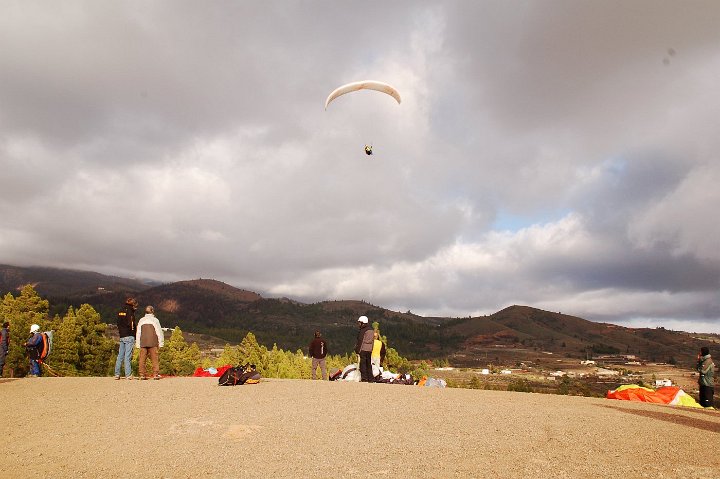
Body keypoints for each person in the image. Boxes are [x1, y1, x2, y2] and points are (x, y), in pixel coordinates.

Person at [135, 306, 164, 380]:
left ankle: (142, 374)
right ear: (152, 311)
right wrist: (161, 343)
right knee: (154, 358)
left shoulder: (141, 320)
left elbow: (138, 333)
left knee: (142, 359)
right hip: (153, 342)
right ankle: (155, 374)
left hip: (143, 342)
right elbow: (159, 332)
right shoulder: (155, 320)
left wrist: (137, 344)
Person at [114, 298, 138, 380]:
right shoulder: (130, 311)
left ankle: (117, 374)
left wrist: (121, 332)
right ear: (133, 304)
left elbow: (118, 323)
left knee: (120, 355)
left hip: (122, 335)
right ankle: (128, 375)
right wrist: (133, 334)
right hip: (129, 335)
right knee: (128, 356)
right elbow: (131, 324)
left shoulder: (120, 310)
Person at [354, 316, 374, 382]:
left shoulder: (363, 330)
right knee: (369, 364)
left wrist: (357, 350)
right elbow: (372, 341)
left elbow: (360, 341)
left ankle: (364, 378)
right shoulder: (371, 330)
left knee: (363, 364)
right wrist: (371, 349)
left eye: (360, 323)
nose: (359, 324)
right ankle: (370, 378)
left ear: (363, 323)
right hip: (369, 350)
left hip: (363, 349)